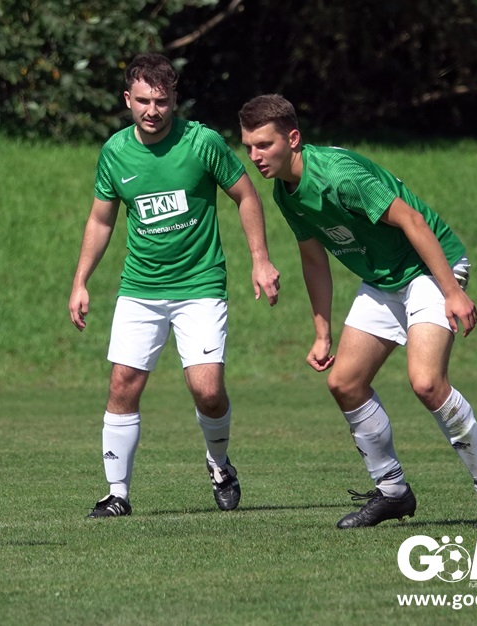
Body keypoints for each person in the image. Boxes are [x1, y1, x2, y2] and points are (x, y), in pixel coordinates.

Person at [238, 94, 477, 529]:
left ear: (293, 138)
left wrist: (452, 292)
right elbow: (313, 260)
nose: (255, 156)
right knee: (344, 383)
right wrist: (322, 333)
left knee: (426, 382)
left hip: (429, 268)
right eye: (249, 146)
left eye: (264, 145)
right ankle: (393, 492)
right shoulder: (285, 194)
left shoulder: (339, 176)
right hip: (383, 280)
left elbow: (413, 222)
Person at [68, 54, 280, 518]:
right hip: (140, 288)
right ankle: (117, 494)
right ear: (127, 99)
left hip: (200, 284)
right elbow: (101, 220)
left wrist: (260, 260)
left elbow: (246, 195)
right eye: (143, 101)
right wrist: (81, 280)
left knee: (207, 390)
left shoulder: (202, 142)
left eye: (161, 101)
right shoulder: (115, 152)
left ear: (174, 100)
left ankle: (219, 463)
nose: (152, 110)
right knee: (123, 384)